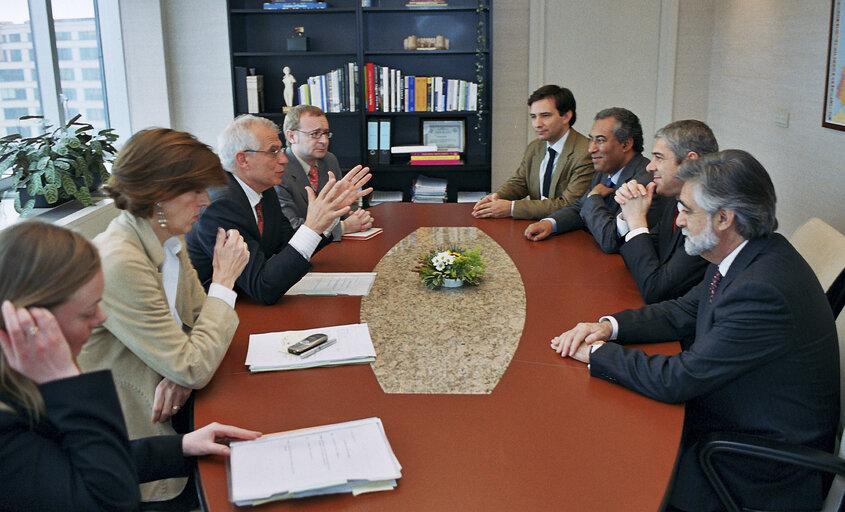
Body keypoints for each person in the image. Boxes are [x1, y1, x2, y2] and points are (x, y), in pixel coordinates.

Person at [550, 150, 839, 512]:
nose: (679, 221)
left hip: (758, 467)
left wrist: (596, 355)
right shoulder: (752, 255)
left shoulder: (762, 289)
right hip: (735, 414)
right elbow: (684, 309)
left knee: (608, 465)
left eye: (687, 210)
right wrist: (608, 328)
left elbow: (679, 379)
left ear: (723, 218)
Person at [0, 221, 260, 512]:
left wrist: (182, 445)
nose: (100, 318)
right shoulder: (10, 423)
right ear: (29, 323)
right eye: (87, 311)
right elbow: (110, 497)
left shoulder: (22, 378)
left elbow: (84, 457)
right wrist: (66, 380)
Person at [77, 128, 251, 504]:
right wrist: (223, 281)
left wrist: (181, 373)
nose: (205, 201)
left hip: (174, 408)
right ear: (159, 195)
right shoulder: (120, 259)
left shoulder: (168, 239)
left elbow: (196, 325)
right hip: (133, 433)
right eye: (195, 191)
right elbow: (194, 361)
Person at [186, 114, 372, 305]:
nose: (283, 159)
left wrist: (330, 214)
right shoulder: (220, 206)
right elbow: (263, 287)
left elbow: (288, 244)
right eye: (273, 151)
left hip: (246, 301)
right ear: (243, 160)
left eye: (281, 150)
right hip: (215, 313)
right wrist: (312, 227)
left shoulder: (264, 191)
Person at [524, 107, 664, 253]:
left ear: (626, 144)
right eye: (591, 140)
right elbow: (581, 207)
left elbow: (610, 240)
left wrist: (594, 197)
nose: (591, 149)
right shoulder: (604, 171)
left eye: (600, 140)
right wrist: (550, 223)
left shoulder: (644, 182)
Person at [613, 120, 718, 303]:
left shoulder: (708, 218)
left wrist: (637, 221)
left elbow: (656, 290)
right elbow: (644, 254)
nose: (649, 167)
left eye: (659, 158)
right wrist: (627, 215)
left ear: (690, 161)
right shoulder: (673, 202)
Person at [472, 84, 593, 219]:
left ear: (566, 116)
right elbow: (520, 182)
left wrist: (511, 208)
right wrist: (495, 198)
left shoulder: (585, 153)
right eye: (533, 117)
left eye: (545, 116)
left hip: (570, 229)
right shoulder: (535, 147)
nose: (537, 124)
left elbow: (569, 204)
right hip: (536, 225)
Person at [276, 104, 373, 241]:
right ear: (291, 136)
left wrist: (357, 217)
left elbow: (344, 204)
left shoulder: (329, 160)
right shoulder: (279, 171)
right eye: (315, 134)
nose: (324, 141)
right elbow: (292, 228)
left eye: (326, 133)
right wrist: (344, 227)